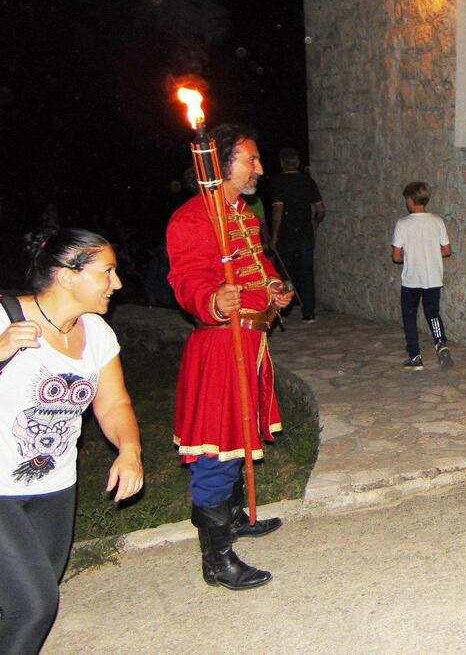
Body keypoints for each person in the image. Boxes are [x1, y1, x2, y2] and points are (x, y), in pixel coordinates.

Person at [0, 229, 144, 654]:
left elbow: (114, 403)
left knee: (21, 600)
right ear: (66, 276)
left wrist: (130, 450)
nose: (116, 283)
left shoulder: (96, 333)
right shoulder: (4, 319)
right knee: (33, 607)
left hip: (55, 488)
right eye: (107, 272)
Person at [166, 124, 293, 591]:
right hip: (222, 345)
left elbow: (257, 263)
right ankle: (216, 561)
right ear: (222, 164)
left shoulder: (241, 212)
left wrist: (273, 287)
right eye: (251, 160)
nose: (260, 168)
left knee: (242, 436)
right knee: (216, 451)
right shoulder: (192, 218)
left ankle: (236, 517)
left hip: (252, 343)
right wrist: (213, 299)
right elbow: (187, 279)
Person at [391, 181, 453, 371]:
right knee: (432, 313)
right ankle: (441, 343)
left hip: (412, 279)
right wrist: (431, 253)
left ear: (410, 200)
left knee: (410, 316)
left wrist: (410, 254)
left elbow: (396, 256)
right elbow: (447, 250)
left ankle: (415, 356)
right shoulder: (437, 221)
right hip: (433, 276)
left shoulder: (403, 224)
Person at [269, 147, 325, 323]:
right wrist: (314, 222)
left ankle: (282, 311)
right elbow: (320, 208)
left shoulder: (278, 182)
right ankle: (308, 312)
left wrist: (274, 235)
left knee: (284, 272)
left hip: (286, 233)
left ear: (282, 163)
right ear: (297, 162)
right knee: (306, 271)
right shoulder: (307, 181)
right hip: (305, 233)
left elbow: (278, 209)